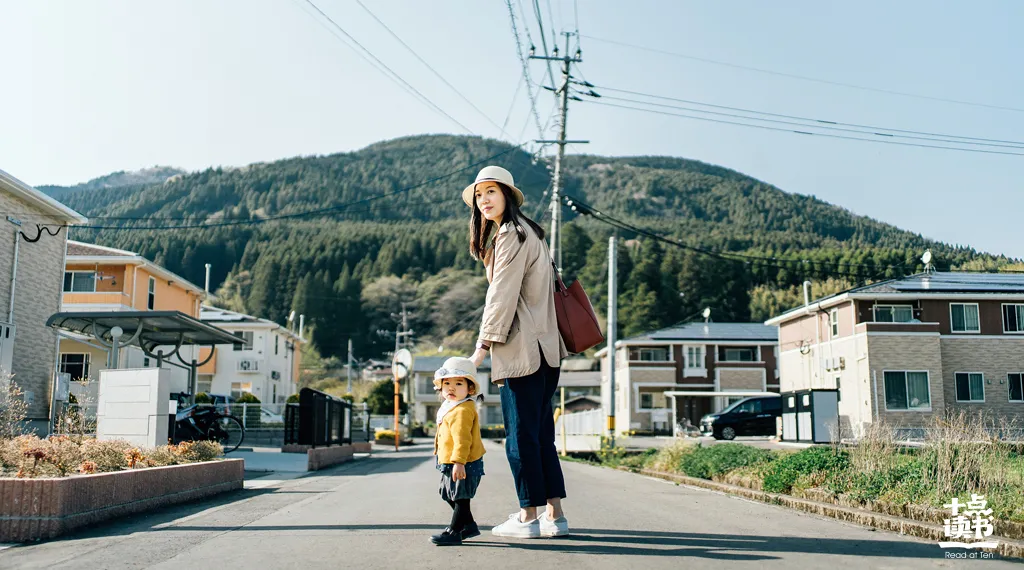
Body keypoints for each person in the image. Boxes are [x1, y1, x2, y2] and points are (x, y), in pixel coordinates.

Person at [463, 165, 570, 539]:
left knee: (520, 438)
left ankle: (528, 517)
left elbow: (501, 296)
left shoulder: (510, 235)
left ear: (508, 194)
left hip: (521, 351)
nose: (485, 200)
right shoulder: (533, 234)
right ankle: (554, 515)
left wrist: (481, 348)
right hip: (548, 351)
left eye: (491, 192)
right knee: (540, 435)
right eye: (479, 195)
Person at [430, 356, 486, 546]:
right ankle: (468, 525)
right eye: (447, 383)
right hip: (449, 460)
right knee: (447, 493)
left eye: (458, 383)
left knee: (461, 496)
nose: (451, 388)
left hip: (463, 461)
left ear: (470, 389)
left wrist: (459, 462)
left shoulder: (463, 410)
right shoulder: (450, 406)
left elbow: (463, 439)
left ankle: (454, 531)